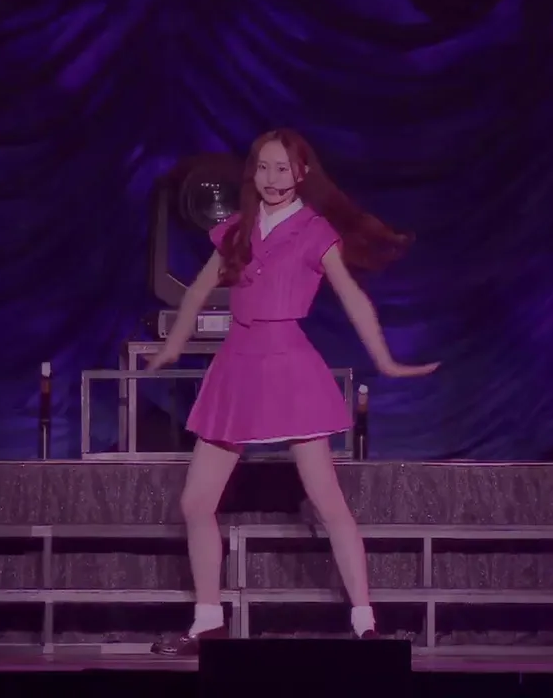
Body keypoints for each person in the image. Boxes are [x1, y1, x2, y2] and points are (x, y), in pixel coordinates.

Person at [148, 128, 439, 656]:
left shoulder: (314, 231)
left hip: (289, 366)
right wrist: (173, 345)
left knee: (328, 501)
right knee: (195, 501)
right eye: (263, 167)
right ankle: (208, 620)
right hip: (236, 367)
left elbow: (353, 297)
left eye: (282, 168)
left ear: (301, 174)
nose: (272, 178)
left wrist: (386, 361)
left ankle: (364, 621)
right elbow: (198, 290)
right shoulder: (238, 228)